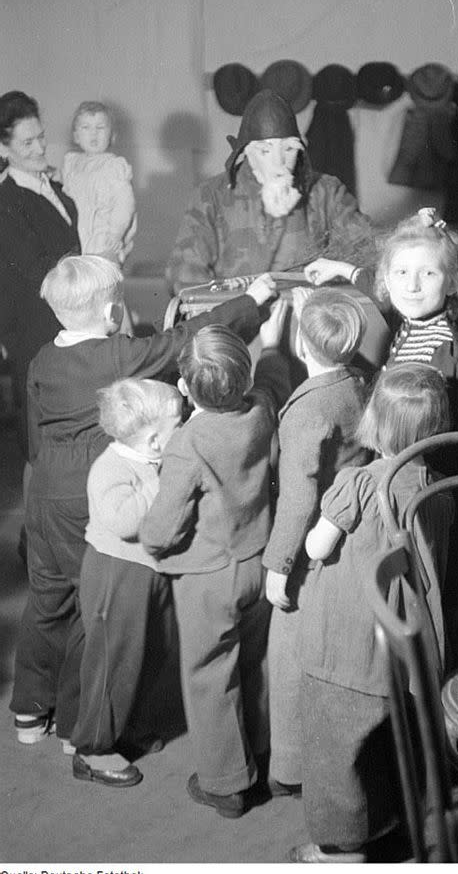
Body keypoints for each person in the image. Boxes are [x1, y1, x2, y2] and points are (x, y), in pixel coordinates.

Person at [10, 253, 274, 758]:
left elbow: (32, 430)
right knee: (97, 609)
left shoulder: (44, 357)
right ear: (111, 311)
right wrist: (251, 304)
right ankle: (80, 725)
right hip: (88, 491)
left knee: (46, 602)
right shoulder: (115, 355)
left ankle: (28, 709)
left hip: (43, 488)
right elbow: (179, 342)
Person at [290, 364, 453, 864]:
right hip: (407, 639)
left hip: (348, 639)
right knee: (388, 739)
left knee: (336, 748)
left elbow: (318, 547)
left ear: (374, 422)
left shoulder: (357, 483)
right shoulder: (436, 484)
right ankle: (391, 825)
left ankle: (342, 847)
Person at [140, 311, 291, 819]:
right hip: (259, 561)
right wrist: (270, 341)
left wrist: (153, 545)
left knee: (210, 674)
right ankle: (263, 754)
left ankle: (226, 782)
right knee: (255, 662)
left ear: (183, 387)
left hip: (209, 576)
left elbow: (164, 524)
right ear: (244, 378)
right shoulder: (261, 409)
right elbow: (272, 378)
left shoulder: (188, 442)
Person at [261, 288, 372, 796]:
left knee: (285, 656)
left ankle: (290, 768)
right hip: (345, 533)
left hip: (307, 542)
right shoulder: (357, 381)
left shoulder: (309, 409)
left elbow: (298, 497)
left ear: (300, 347)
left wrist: (278, 562)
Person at [70, 378, 183, 787]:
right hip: (116, 573)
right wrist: (166, 484)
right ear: (154, 441)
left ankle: (124, 724)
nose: (183, 431)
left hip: (148, 574)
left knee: (149, 653)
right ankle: (93, 747)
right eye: (178, 426)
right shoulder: (111, 467)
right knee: (112, 662)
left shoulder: (152, 459)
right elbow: (122, 519)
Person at [166, 88, 377, 292]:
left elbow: (366, 253)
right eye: (265, 151)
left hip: (309, 317)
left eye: (288, 149)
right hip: (236, 320)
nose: (279, 162)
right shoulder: (212, 196)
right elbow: (184, 274)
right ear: (247, 152)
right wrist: (233, 312)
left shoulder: (327, 193)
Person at [306, 207, 458, 431]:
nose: (411, 287)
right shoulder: (408, 320)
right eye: (401, 273)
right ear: (388, 281)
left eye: (428, 273)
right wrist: (339, 269)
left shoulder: (445, 351)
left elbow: (434, 436)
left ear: (452, 282)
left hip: (419, 460)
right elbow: (377, 290)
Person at [0, 90, 80, 456]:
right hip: (36, 337)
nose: (38, 148)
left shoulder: (57, 191)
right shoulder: (7, 203)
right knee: (42, 446)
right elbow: (38, 274)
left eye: (40, 137)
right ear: (4, 149)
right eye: (27, 142)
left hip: (68, 327)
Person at [61, 101, 137, 265]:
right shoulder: (72, 163)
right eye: (86, 128)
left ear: (112, 136)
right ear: (75, 136)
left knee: (100, 279)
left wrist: (116, 232)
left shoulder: (114, 166)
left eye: (100, 128)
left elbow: (124, 203)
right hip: (75, 238)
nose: (93, 134)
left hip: (102, 238)